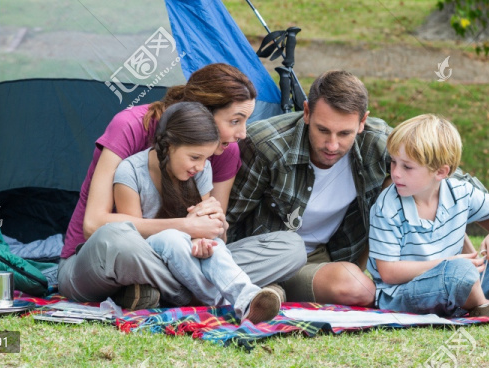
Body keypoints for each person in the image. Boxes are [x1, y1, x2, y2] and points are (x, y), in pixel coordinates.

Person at [226, 70, 489, 307]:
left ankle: (271, 294)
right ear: (307, 112)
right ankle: (264, 286)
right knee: (289, 255)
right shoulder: (266, 146)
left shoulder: (379, 143)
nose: (331, 144)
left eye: (345, 133)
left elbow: (454, 185)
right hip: (268, 251)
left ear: (363, 122)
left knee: (359, 290)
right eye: (323, 129)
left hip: (327, 257)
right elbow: (230, 217)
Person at [58, 63, 305, 309]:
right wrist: (184, 225)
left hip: (181, 257)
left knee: (291, 248)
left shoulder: (224, 153)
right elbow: (92, 225)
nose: (242, 133)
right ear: (202, 115)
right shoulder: (131, 127)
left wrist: (215, 228)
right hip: (101, 258)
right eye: (235, 121)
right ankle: (215, 294)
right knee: (118, 239)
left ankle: (160, 292)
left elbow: (214, 236)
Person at [113, 102, 284, 323]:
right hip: (151, 262)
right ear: (168, 145)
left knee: (216, 248)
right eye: (195, 157)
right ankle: (223, 299)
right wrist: (185, 228)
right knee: (171, 238)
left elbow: (208, 230)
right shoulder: (130, 171)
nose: (201, 167)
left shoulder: (200, 171)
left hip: (188, 260)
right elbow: (131, 240)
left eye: (206, 158)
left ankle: (248, 297)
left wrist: (205, 239)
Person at [369, 114, 489, 320]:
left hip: (459, 282)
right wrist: (447, 263)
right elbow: (389, 272)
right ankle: (483, 307)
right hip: (403, 294)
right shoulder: (388, 206)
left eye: (407, 167)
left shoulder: (460, 192)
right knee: (459, 272)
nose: (396, 173)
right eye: (393, 162)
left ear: (441, 172)